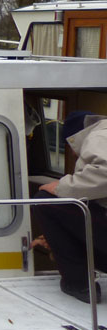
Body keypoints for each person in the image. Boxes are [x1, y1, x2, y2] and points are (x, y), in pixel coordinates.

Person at [33, 112, 107, 303]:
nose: (73, 153)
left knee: (46, 201)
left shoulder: (98, 135)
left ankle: (79, 285)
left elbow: (105, 173)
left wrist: (61, 188)